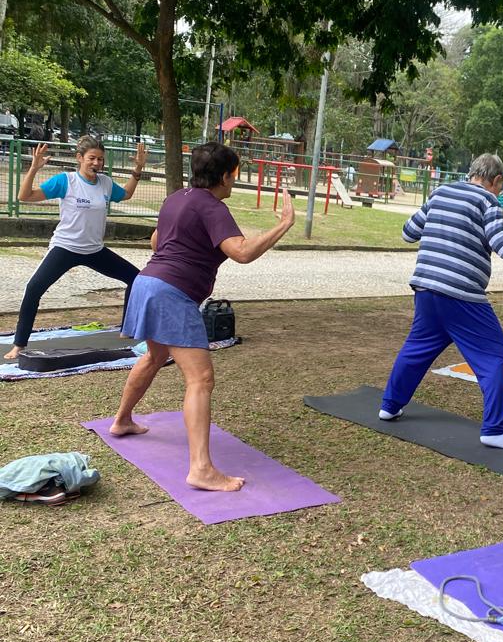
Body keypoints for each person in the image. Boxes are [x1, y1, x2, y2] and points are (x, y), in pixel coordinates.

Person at [109, 142, 295, 492]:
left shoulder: (176, 198)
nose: (234, 179)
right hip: (171, 293)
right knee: (201, 379)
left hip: (146, 283)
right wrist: (284, 224)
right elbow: (242, 252)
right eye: (235, 173)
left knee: (155, 356)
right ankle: (201, 469)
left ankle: (122, 420)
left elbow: (156, 242)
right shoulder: (212, 207)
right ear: (224, 176)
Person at [379, 153, 503, 449]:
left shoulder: (440, 192)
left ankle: (390, 406)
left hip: (426, 288)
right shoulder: (487, 201)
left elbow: (408, 233)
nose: (500, 192)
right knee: (496, 354)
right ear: (496, 180)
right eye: (501, 187)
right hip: (461, 294)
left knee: (418, 348)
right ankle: (494, 430)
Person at [4, 137, 147, 361]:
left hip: (94, 250)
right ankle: (19, 345)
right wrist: (33, 168)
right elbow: (25, 196)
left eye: (100, 159)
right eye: (92, 158)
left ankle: (127, 329)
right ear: (79, 158)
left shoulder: (105, 183)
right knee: (33, 289)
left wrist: (137, 170)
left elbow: (126, 194)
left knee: (136, 279)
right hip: (66, 247)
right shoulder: (66, 181)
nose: (97, 163)